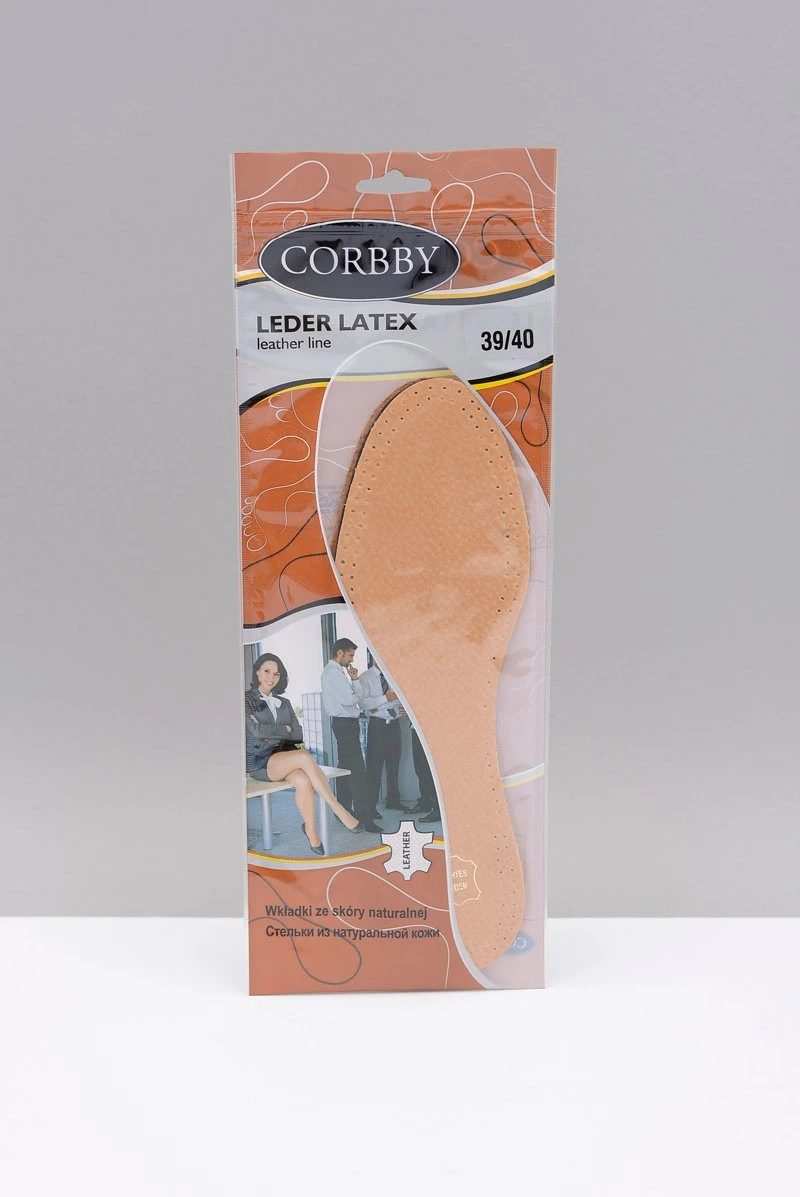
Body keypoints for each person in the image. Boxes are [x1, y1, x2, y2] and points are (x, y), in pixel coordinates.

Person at [246, 652, 365, 855]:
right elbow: (255, 732)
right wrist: (285, 730)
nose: (271, 677)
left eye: (276, 674)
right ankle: (338, 808)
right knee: (303, 756)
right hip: (261, 762)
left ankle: (311, 831)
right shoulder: (246, 699)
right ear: (257, 672)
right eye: (266, 671)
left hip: (284, 757)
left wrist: (272, 732)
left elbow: (297, 733)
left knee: (302, 780)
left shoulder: (284, 703)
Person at [320, 638, 379, 832]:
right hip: (345, 725)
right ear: (340, 653)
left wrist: (354, 681)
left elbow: (355, 699)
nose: (352, 659)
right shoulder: (333, 673)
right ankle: (365, 820)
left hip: (346, 725)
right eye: (350, 655)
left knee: (345, 769)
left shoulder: (338, 672)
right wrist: (354, 690)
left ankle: (343, 813)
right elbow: (350, 699)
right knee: (358, 772)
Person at [358, 666, 404, 821]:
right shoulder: (365, 677)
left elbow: (399, 699)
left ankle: (393, 800)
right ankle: (370, 808)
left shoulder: (393, 673)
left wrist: (381, 706)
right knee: (374, 768)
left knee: (394, 764)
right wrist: (386, 699)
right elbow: (363, 704)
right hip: (377, 726)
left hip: (395, 724)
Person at [411, 727, 441, 823]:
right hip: (416, 729)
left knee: (430, 771)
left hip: (429, 729)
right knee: (420, 770)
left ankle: (437, 809)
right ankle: (425, 803)